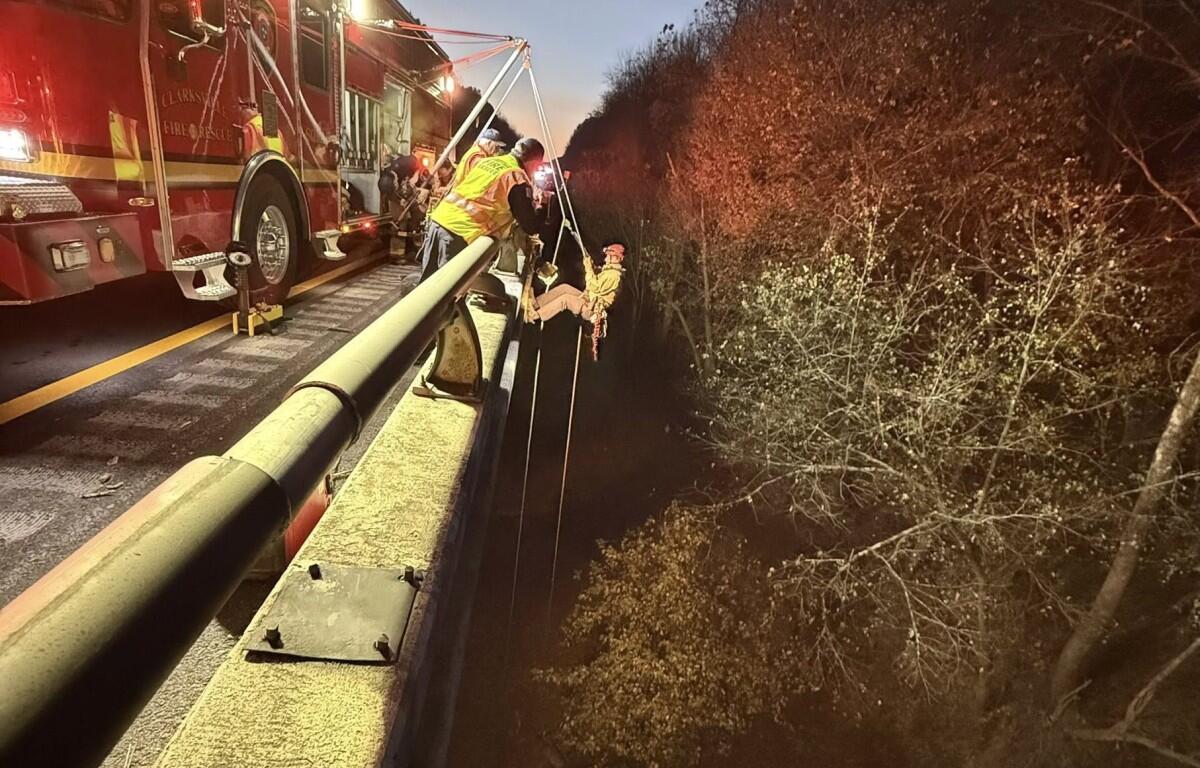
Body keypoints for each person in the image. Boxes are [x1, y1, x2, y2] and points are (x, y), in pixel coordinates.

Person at [419, 137, 548, 281]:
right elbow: (530, 225)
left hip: (439, 220)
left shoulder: (488, 162)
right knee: (446, 287)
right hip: (459, 232)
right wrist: (542, 205)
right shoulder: (516, 176)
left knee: (427, 285)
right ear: (534, 162)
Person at [522, 243, 625, 324]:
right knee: (564, 288)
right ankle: (535, 303)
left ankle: (534, 315)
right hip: (588, 298)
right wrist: (592, 266)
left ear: (615, 258)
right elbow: (597, 279)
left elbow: (594, 286)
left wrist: (589, 269)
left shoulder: (613, 276)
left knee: (565, 299)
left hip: (591, 308)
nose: (606, 258)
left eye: (608, 256)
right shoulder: (609, 271)